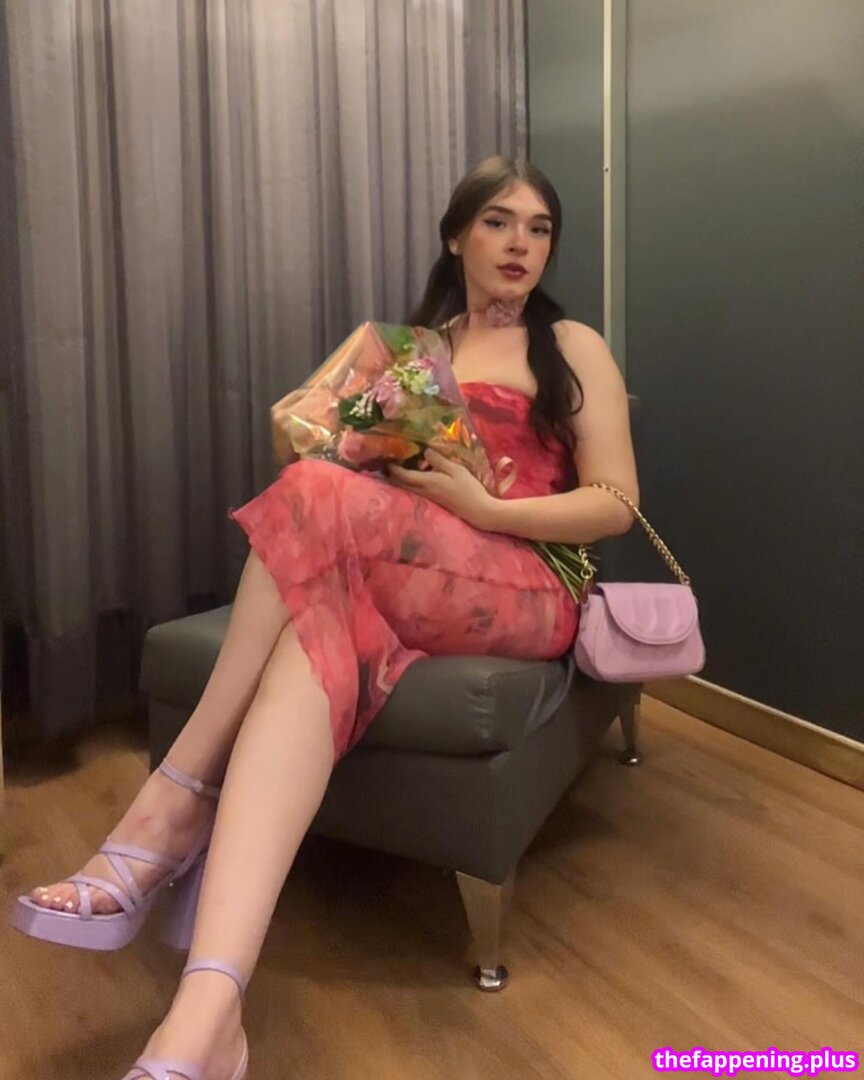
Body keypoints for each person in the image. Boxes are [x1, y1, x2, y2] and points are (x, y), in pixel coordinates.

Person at [9, 156, 639, 1079]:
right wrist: (338, 424)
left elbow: (616, 504)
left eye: (539, 228)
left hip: (522, 578)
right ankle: (208, 1015)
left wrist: (487, 506)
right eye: (498, 222)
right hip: (396, 566)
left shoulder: (571, 344)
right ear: (456, 236)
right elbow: (299, 438)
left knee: (312, 497)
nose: (520, 244)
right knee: (309, 649)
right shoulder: (406, 349)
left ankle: (172, 803)